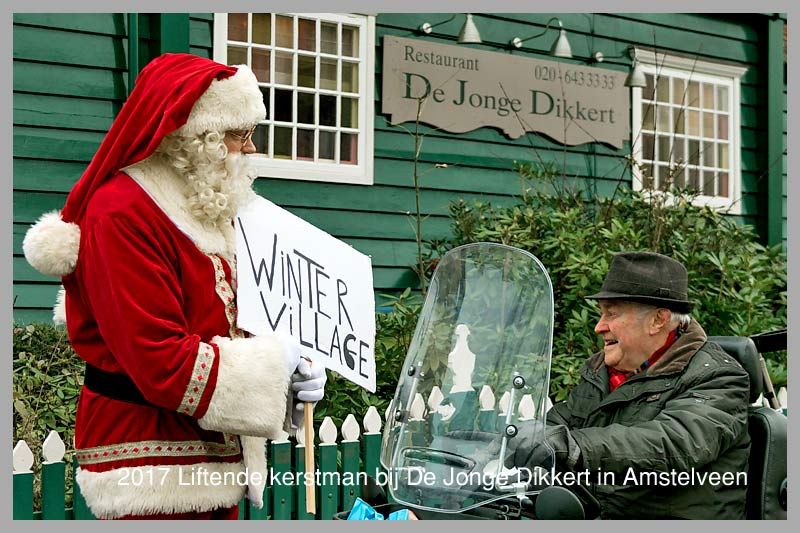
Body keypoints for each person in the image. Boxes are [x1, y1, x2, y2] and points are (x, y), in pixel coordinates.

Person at [22, 53, 326, 519]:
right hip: (151, 466)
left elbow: (224, 320)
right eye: (237, 135)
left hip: (214, 457)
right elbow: (158, 357)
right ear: (194, 138)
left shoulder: (209, 205)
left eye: (251, 135)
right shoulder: (122, 210)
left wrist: (290, 372)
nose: (249, 150)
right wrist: (272, 361)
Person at [510, 251, 751, 519]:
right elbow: (559, 426)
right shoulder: (601, 371)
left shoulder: (719, 377)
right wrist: (507, 442)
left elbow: (670, 444)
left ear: (658, 320)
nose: (599, 327)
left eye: (611, 314)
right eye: (601, 314)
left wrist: (575, 447)